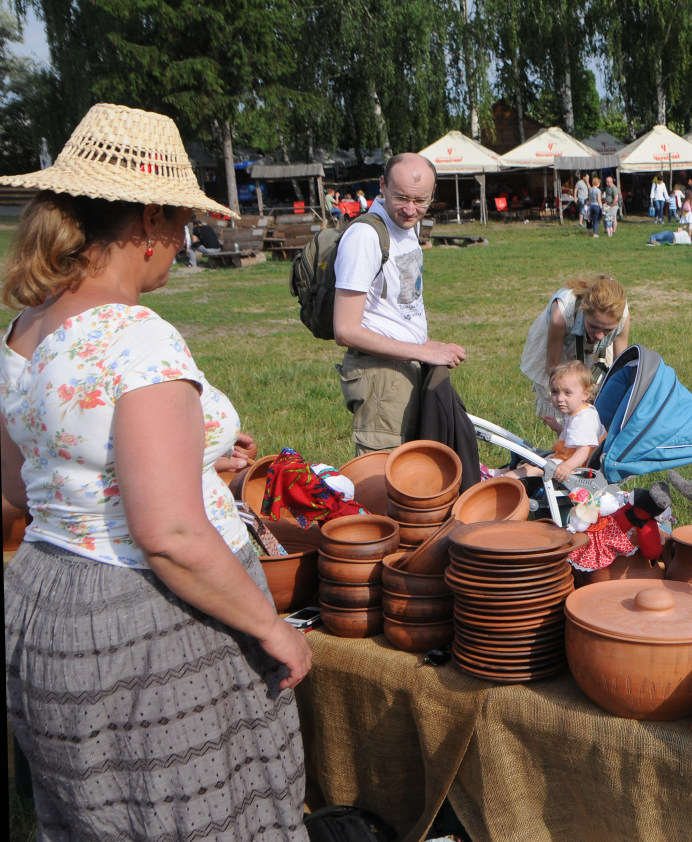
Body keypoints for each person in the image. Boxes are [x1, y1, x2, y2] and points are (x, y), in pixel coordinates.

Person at [0, 103, 310, 838]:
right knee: (201, 811)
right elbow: (169, 533)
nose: (182, 240)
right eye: (179, 222)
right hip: (148, 623)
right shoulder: (138, 339)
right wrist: (272, 627)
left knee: (100, 818)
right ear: (146, 221)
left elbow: (21, 485)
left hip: (46, 595)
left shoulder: (30, 333)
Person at [333, 152, 467, 455]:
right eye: (401, 198)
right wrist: (422, 350)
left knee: (414, 474)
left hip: (407, 366)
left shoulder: (406, 227)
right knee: (383, 478)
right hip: (381, 378)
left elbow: (396, 304)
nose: (410, 209)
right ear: (382, 186)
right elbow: (346, 330)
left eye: (420, 201)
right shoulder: (365, 236)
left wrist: (426, 344)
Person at [520, 274, 630, 421]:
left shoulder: (621, 316)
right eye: (594, 326)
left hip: (588, 342)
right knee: (568, 403)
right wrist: (577, 400)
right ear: (584, 311)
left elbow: (620, 367)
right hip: (563, 343)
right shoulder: (561, 314)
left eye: (608, 330)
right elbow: (553, 366)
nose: (599, 336)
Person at [494, 361, 605, 482]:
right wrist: (558, 428)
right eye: (555, 392)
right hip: (566, 458)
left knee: (533, 469)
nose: (560, 398)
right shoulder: (577, 412)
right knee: (528, 464)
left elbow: (584, 450)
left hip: (575, 466)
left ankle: (498, 481)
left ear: (585, 394)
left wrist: (567, 466)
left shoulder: (583, 419)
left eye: (567, 393)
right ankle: (495, 474)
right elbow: (572, 440)